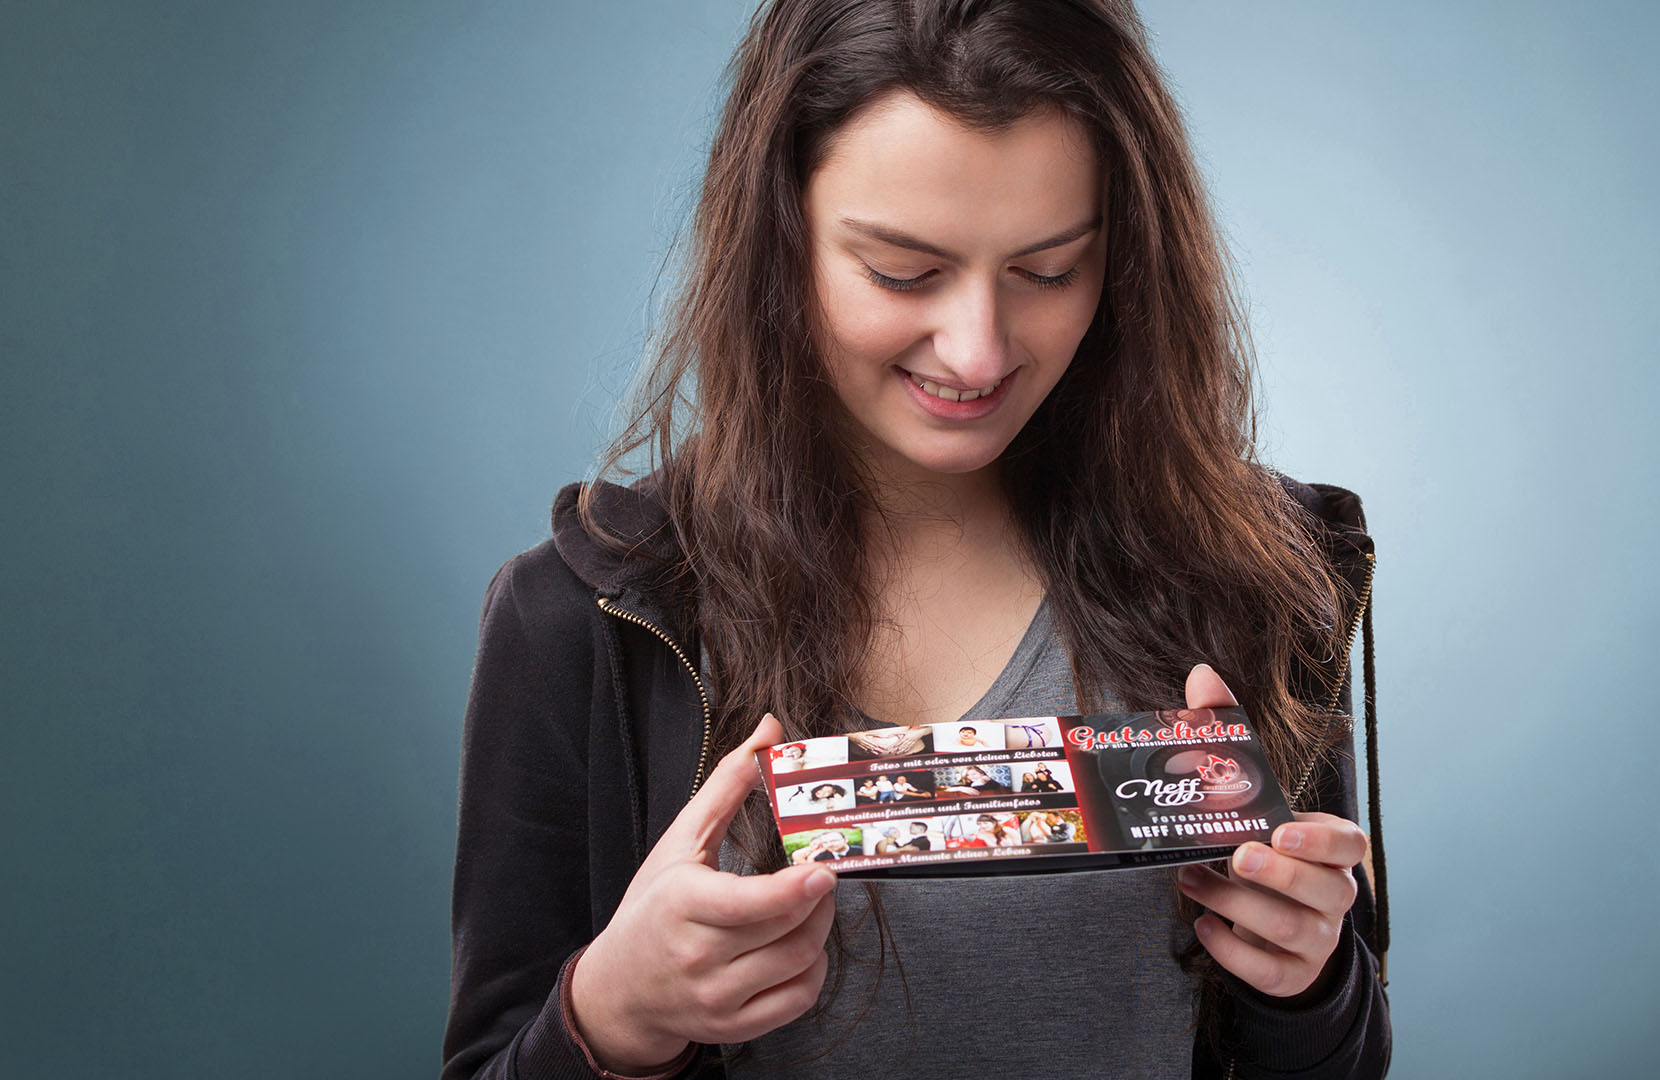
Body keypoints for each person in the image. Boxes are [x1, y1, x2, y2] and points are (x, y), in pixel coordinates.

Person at [442, 2, 1389, 1078]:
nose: (979, 351)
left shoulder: (1260, 571)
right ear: (779, 233)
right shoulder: (583, 617)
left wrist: (1310, 980)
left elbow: (1339, 1059)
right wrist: (614, 1013)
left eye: (1048, 270)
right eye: (902, 271)